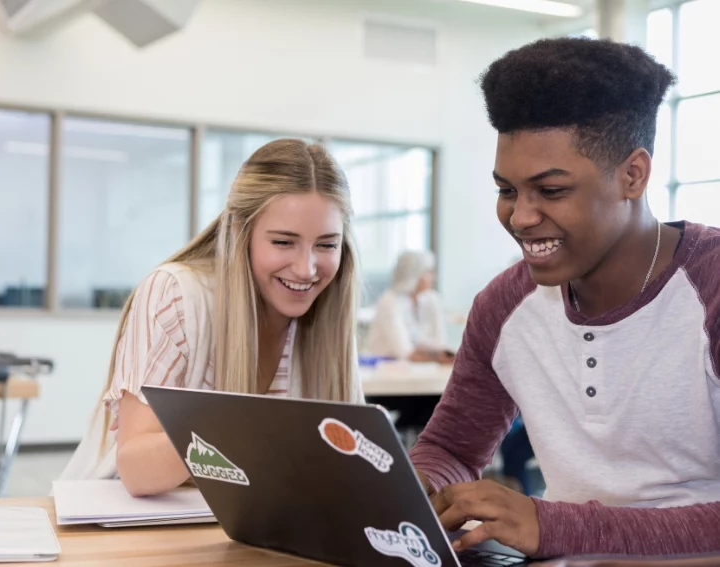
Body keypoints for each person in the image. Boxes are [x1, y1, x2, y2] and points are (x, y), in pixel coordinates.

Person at [410, 37, 720, 560]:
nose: (521, 217)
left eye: (551, 191)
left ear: (633, 175)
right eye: (506, 190)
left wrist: (555, 525)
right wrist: (416, 486)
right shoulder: (504, 305)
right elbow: (452, 447)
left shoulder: (710, 287)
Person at [60, 139, 364, 496]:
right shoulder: (175, 294)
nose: (306, 268)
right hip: (125, 524)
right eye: (283, 242)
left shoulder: (326, 312)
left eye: (327, 245)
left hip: (234, 529)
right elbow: (137, 470)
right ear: (240, 233)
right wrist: (241, 422)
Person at [365, 250, 453, 363]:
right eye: (428, 272)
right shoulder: (389, 302)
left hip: (422, 370)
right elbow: (404, 351)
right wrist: (435, 355)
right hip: (387, 370)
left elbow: (441, 344)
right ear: (414, 274)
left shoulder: (432, 300)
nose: (433, 277)